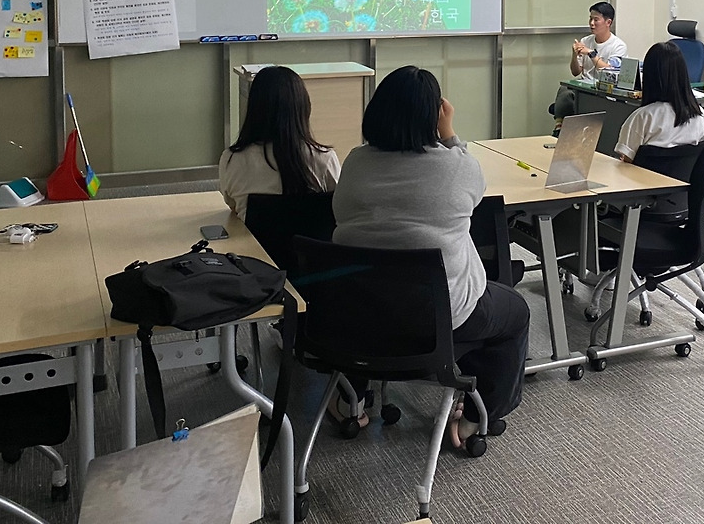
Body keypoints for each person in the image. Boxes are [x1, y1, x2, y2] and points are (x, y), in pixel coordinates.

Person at [332, 65, 529, 446]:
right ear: (435, 117)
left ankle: (350, 397)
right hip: (441, 318)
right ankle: (477, 416)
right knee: (515, 311)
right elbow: (477, 188)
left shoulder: (355, 163)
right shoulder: (456, 167)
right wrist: (450, 134)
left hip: (358, 314)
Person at [219, 66, 340, 221]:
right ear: (304, 108)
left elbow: (233, 205)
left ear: (254, 109)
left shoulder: (232, 159)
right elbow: (340, 206)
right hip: (313, 238)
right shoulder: (325, 159)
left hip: (253, 237)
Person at [615, 41, 704, 163]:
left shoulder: (643, 117)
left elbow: (627, 160)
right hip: (683, 176)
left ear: (649, 76)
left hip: (642, 175)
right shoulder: (699, 114)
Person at [550, 2, 628, 133]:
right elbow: (575, 72)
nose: (591, 23)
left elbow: (609, 72)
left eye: (596, 20)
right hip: (584, 89)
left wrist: (591, 54)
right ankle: (559, 127)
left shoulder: (618, 46)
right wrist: (574, 55)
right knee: (565, 89)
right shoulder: (586, 40)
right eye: (590, 19)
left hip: (604, 92)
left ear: (608, 22)